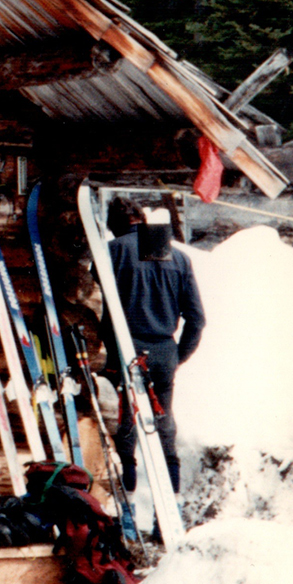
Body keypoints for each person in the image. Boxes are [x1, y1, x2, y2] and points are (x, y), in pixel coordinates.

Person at [106, 204, 204, 496]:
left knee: (127, 418)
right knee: (164, 420)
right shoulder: (177, 255)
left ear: (115, 226)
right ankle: (171, 494)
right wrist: (177, 356)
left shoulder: (114, 250)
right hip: (164, 349)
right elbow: (197, 319)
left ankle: (129, 491)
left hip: (128, 347)